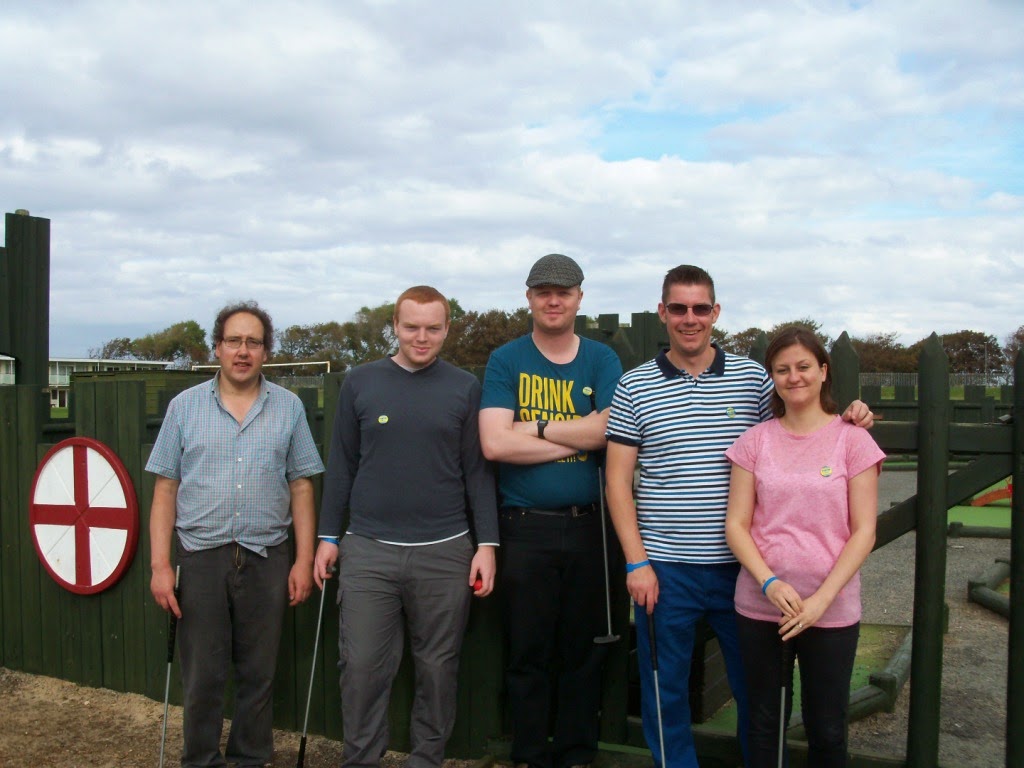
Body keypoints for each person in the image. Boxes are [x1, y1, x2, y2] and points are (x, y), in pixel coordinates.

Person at [604, 265, 873, 768]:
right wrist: (636, 561)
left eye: (700, 308)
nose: (690, 318)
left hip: (744, 570)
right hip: (666, 567)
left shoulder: (753, 379)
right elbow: (618, 481)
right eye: (679, 308)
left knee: (757, 697)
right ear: (662, 312)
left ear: (716, 313)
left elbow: (801, 426)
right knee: (665, 689)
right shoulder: (634, 386)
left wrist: (852, 415)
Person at [314, 285, 499, 768]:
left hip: (446, 550)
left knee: (438, 669)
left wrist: (487, 544)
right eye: (411, 326)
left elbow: (478, 472)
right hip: (368, 549)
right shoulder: (360, 382)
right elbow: (342, 465)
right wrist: (328, 536)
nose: (422, 337)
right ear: (394, 325)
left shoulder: (464, 387)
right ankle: (361, 759)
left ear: (446, 329)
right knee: (361, 668)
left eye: (433, 328)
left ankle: (426, 759)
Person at [148, 300, 324, 768]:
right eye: (233, 341)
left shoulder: (289, 407)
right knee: (203, 676)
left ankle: (249, 758)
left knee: (258, 674)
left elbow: (301, 486)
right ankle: (200, 759)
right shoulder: (184, 407)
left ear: (266, 351)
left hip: (268, 557)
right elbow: (165, 489)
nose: (243, 351)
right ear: (217, 348)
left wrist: (303, 560)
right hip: (201, 557)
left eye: (253, 342)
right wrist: (160, 566)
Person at [479, 253, 623, 768]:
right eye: (544, 292)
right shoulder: (507, 360)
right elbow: (495, 444)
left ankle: (576, 753)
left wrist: (535, 428)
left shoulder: (601, 359)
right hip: (525, 528)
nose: (554, 300)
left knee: (583, 651)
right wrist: (577, 433)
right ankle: (529, 754)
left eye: (564, 292)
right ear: (529, 298)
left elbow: (609, 430)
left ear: (580, 297)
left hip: (589, 527)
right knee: (528, 651)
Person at [724, 327, 883, 767]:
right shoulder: (755, 441)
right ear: (772, 377)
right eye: (782, 369)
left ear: (823, 371)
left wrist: (821, 601)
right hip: (762, 606)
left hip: (830, 610)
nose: (794, 377)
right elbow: (736, 524)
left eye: (803, 366)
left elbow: (864, 531)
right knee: (764, 723)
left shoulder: (852, 440)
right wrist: (769, 582)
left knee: (827, 728)